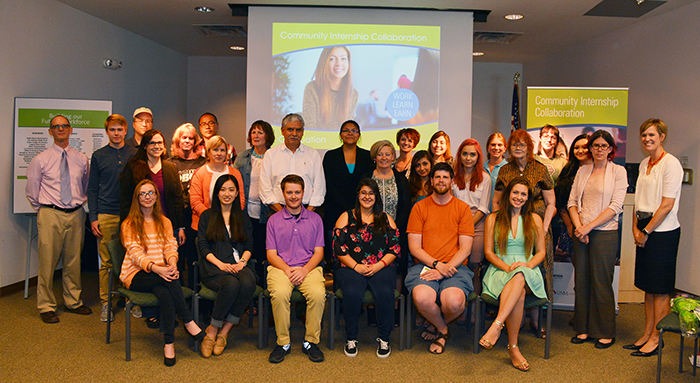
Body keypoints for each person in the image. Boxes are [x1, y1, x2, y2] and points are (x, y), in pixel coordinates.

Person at [120, 180, 205, 366]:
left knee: (166, 293)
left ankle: (169, 343)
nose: (147, 197)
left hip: (160, 273)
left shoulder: (164, 221)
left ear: (157, 197)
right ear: (137, 198)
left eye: (151, 193)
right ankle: (187, 319)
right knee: (169, 281)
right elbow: (135, 254)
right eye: (143, 194)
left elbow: (170, 245)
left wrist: (173, 262)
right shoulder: (129, 223)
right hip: (135, 274)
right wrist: (158, 269)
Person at [26, 115, 92, 324]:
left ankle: (73, 301)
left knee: (73, 261)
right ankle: (46, 306)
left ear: (70, 130)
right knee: (47, 262)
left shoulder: (81, 159)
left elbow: (85, 184)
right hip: (50, 214)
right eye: (56, 127)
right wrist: (44, 210)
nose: (61, 129)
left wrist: (77, 205)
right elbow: (31, 191)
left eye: (64, 126)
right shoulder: (41, 159)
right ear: (50, 131)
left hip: (75, 213)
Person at [626, 119, 683, 357]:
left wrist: (646, 232)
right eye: (643, 135)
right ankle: (648, 333)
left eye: (651, 135)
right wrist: (635, 229)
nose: (647, 139)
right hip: (644, 228)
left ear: (662, 136)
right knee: (648, 288)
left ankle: (658, 339)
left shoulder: (671, 164)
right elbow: (637, 200)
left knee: (660, 290)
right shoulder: (644, 163)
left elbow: (667, 205)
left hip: (662, 233)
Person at [405, 163, 474, 354]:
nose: (441, 181)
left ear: (451, 181)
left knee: (453, 302)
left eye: (445, 177)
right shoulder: (419, 207)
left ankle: (433, 322)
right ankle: (443, 329)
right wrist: (436, 265)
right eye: (437, 177)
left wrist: (446, 267)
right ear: (431, 180)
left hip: (456, 267)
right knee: (422, 298)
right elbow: (414, 247)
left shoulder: (462, 209)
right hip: (425, 266)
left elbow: (466, 248)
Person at [567, 130, 627, 349]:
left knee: (601, 282)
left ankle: (604, 331)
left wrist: (588, 227)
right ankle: (583, 328)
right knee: (582, 282)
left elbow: (615, 206)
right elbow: (572, 202)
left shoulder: (618, 172)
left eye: (604, 146)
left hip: (605, 232)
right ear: (590, 148)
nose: (599, 149)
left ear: (611, 149)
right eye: (595, 146)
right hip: (581, 232)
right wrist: (579, 227)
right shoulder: (583, 170)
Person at [479, 178, 546, 372]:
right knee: (519, 289)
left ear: (528, 198)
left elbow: (540, 252)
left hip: (528, 268)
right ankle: (513, 347)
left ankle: (496, 326)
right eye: (515, 192)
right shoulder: (493, 218)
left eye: (523, 194)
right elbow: (489, 253)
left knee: (520, 276)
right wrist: (508, 268)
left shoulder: (535, 219)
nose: (519, 197)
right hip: (500, 269)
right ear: (508, 194)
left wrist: (526, 265)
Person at [121, 129, 186, 324]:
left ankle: (167, 314)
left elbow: (176, 199)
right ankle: (154, 313)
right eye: (152, 143)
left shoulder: (170, 167)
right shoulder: (133, 167)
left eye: (160, 143)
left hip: (165, 225)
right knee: (152, 267)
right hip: (141, 225)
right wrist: (127, 226)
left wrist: (180, 226)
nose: (157, 146)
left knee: (169, 266)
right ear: (145, 146)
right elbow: (125, 199)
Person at [493, 129, 555, 335]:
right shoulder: (504, 170)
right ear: (509, 148)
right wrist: (499, 225)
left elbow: (551, 202)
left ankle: (536, 320)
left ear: (529, 147)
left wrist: (544, 229)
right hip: (509, 227)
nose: (518, 148)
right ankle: (515, 318)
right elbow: (497, 201)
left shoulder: (540, 169)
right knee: (511, 268)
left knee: (539, 270)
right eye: (514, 144)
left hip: (537, 227)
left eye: (522, 144)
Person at [333, 179, 401, 358]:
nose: (367, 197)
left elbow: (394, 249)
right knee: (353, 292)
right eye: (363, 192)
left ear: (376, 196)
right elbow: (338, 248)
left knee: (386, 293)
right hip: (351, 266)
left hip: (381, 266)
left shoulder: (386, 218)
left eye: (371, 193)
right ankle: (351, 337)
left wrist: (378, 265)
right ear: (358, 195)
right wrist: (356, 267)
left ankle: (384, 338)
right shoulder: (346, 217)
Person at [266, 175, 326, 364]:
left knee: (318, 294)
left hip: (309, 267)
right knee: (280, 293)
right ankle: (283, 342)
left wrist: (304, 270)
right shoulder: (273, 220)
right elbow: (271, 254)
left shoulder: (316, 219)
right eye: (289, 192)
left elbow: (319, 252)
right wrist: (288, 270)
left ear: (303, 193)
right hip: (280, 267)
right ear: (283, 194)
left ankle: (311, 342)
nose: (293, 196)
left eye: (297, 192)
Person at [196, 175, 256, 358]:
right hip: (214, 267)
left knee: (248, 283)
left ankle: (225, 330)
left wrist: (242, 263)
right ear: (216, 193)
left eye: (231, 190)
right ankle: (213, 329)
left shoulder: (242, 217)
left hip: (238, 265)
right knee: (231, 284)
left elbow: (249, 246)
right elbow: (203, 246)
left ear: (237, 193)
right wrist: (221, 264)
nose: (227, 194)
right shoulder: (207, 216)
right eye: (222, 189)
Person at [88, 114, 137, 322]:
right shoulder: (98, 156)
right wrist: (93, 217)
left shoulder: (135, 154)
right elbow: (92, 189)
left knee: (130, 259)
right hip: (106, 213)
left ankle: (130, 301)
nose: (116, 134)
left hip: (130, 214)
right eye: (112, 130)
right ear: (107, 132)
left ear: (126, 131)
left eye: (120, 130)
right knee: (107, 262)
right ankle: (106, 303)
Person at [361, 140, 411, 293]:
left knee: (396, 269)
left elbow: (405, 207)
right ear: (374, 157)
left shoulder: (401, 179)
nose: (384, 157)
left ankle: (395, 308)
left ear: (393, 157)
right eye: (380, 154)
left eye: (387, 154)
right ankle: (371, 309)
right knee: (370, 268)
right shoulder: (365, 177)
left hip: (396, 232)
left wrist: (393, 230)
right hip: (368, 233)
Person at [322, 120, 374, 265]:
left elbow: (368, 185)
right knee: (337, 253)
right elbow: (328, 185)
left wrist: (356, 208)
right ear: (340, 135)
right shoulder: (330, 156)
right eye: (346, 130)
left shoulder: (367, 156)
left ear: (359, 135)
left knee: (358, 251)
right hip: (335, 210)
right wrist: (347, 208)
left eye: (354, 130)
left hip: (361, 212)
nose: (350, 133)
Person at [233, 120, 276, 282]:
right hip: (245, 211)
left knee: (264, 250)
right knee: (248, 249)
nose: (256, 135)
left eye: (260, 132)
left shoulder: (274, 155)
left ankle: (265, 289)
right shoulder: (243, 156)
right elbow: (235, 182)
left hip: (268, 212)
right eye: (253, 132)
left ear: (268, 136)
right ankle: (252, 289)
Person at [166, 123, 206, 289]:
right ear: (178, 140)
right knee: (176, 258)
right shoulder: (168, 163)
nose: (187, 141)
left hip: (196, 216)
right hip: (175, 217)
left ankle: (194, 297)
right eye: (184, 138)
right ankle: (178, 295)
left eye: (191, 138)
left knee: (194, 258)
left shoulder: (203, 162)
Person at [260, 113, 326, 212]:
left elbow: (319, 188)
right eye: (290, 129)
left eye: (298, 130)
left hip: (308, 210)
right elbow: (265, 188)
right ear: (282, 131)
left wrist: (307, 214)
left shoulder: (313, 154)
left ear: (303, 132)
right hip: (278, 210)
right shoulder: (270, 154)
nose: (294, 134)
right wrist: (282, 214)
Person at [453, 139, 491, 299]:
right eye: (465, 154)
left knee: (474, 267)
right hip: (455, 226)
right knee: (458, 267)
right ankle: (460, 305)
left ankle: (473, 311)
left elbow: (483, 208)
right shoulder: (453, 177)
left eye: (472, 154)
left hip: (478, 225)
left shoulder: (485, 177)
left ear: (478, 157)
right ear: (460, 155)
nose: (468, 158)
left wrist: (467, 226)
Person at [189, 135, 245, 235]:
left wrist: (227, 218)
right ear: (208, 152)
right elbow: (195, 201)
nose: (219, 153)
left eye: (222, 150)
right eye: (215, 150)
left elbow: (240, 200)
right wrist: (212, 218)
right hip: (205, 225)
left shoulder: (235, 173)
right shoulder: (199, 173)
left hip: (231, 225)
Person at [303, 46, 359, 130]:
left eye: (343, 58)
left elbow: (347, 130)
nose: (338, 64)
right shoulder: (312, 88)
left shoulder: (353, 93)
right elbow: (310, 128)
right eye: (332, 59)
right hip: (317, 141)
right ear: (324, 62)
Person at [555, 134, 591, 256]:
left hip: (594, 226)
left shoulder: (600, 170)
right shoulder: (568, 170)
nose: (580, 151)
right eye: (576, 147)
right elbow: (560, 202)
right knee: (579, 266)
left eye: (584, 147)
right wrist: (570, 226)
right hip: (571, 226)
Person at [484, 133, 508, 212]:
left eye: (500, 145)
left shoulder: (509, 169)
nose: (496, 148)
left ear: (505, 148)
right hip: (481, 216)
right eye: (493, 145)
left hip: (501, 214)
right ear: (488, 148)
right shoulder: (481, 169)